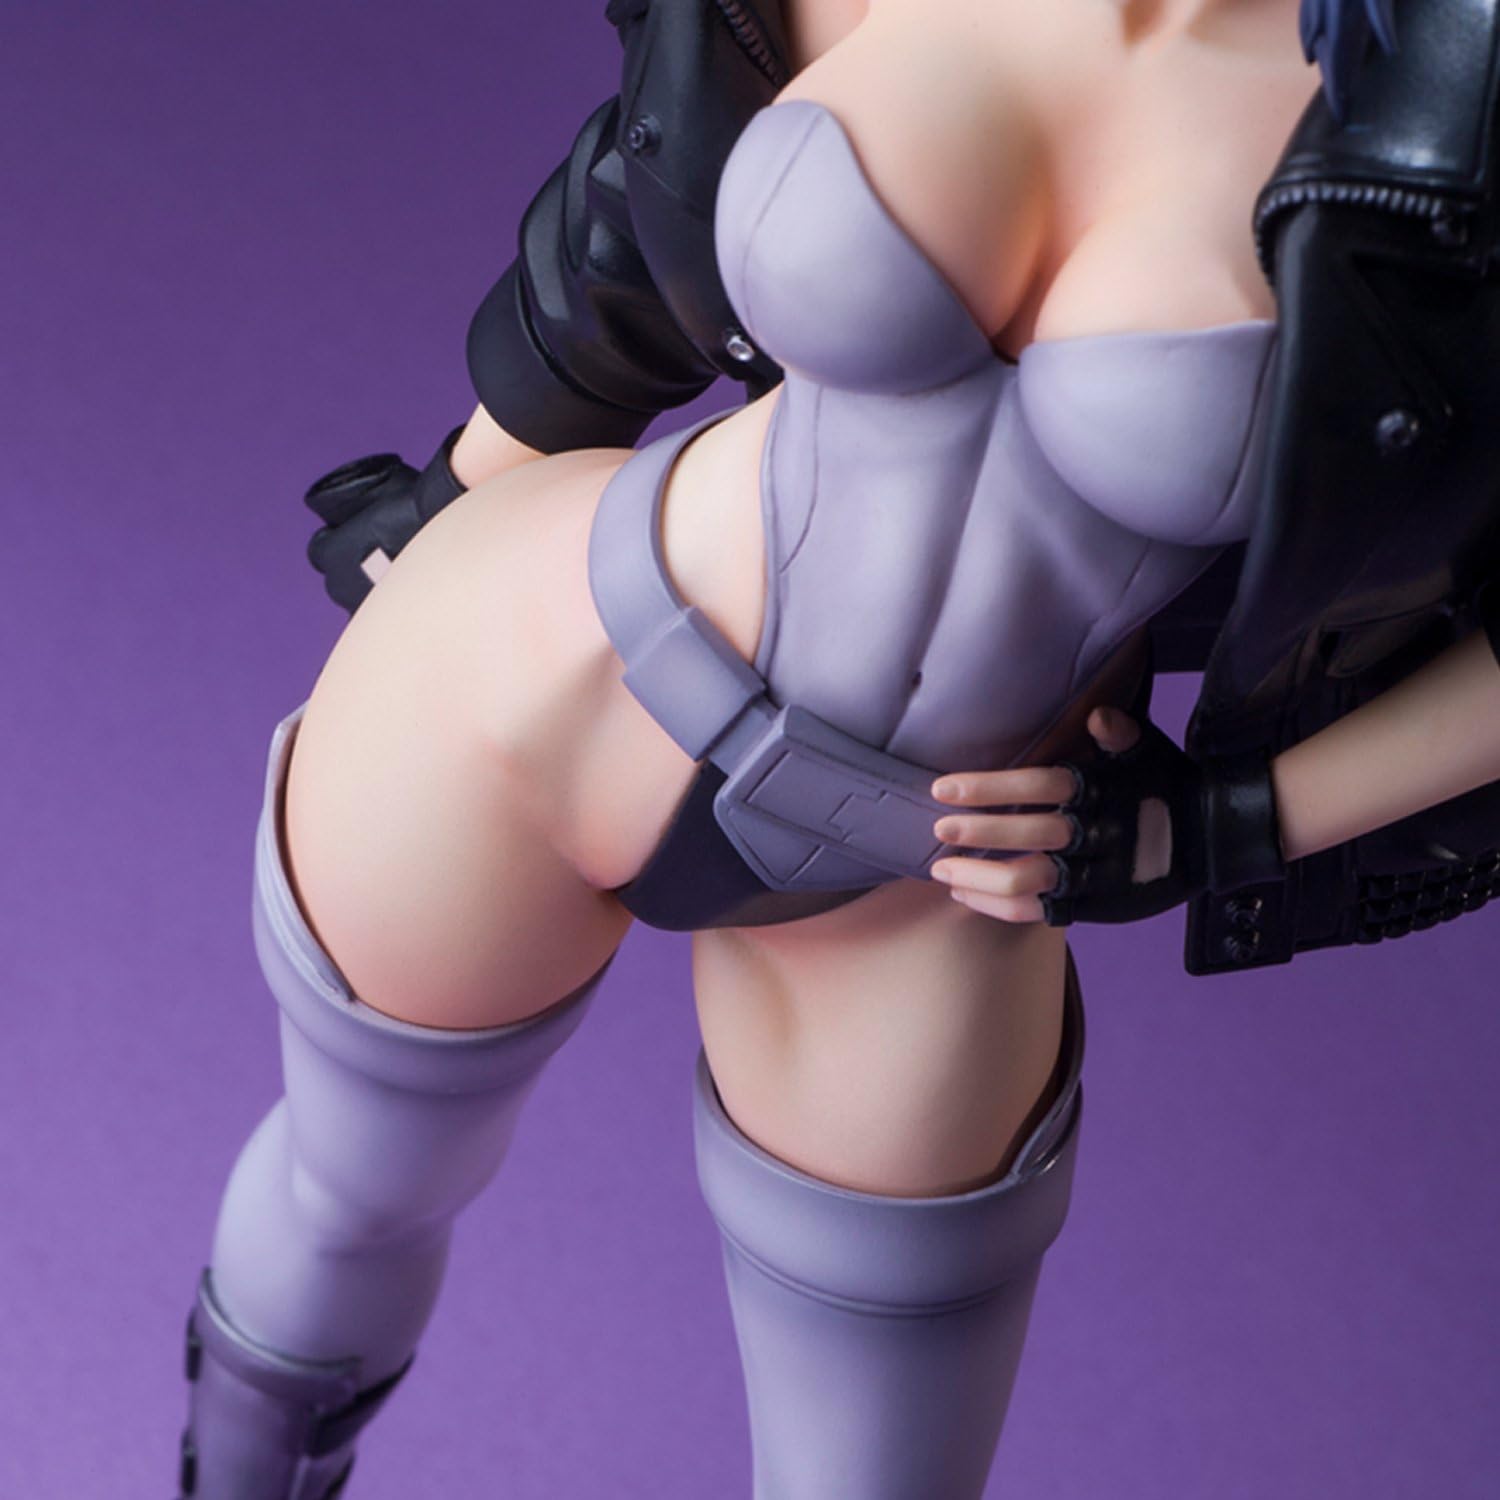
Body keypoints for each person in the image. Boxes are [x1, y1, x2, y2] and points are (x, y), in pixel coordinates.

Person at [175, 3, 1423, 1497]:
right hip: (543, 661)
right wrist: (466, 473)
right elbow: (649, 181)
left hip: (933, 868)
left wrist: (1232, 819)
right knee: (346, 1197)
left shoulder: (1444, 113)